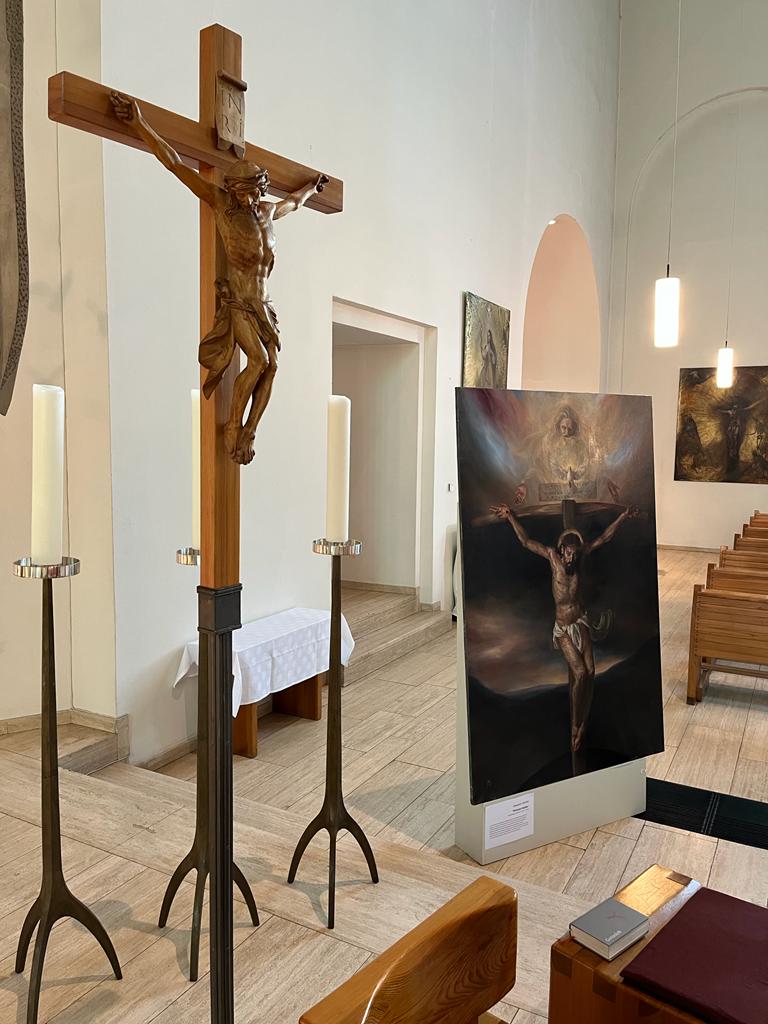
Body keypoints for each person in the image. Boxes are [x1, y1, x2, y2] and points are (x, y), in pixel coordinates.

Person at [110, 92, 328, 465]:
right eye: (244, 194)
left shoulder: (267, 213)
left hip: (263, 305)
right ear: (233, 190)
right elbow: (175, 164)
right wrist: (139, 124)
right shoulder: (222, 207)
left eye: (255, 193)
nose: (250, 200)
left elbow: (293, 202)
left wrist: (311, 187)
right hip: (238, 303)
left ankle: (250, 430)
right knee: (257, 361)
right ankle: (232, 425)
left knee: (273, 366)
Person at [490, 503, 638, 754]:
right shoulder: (552, 557)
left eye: (574, 555)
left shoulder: (579, 557)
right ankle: (575, 726)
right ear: (561, 551)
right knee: (579, 673)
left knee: (591, 672)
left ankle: (583, 723)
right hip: (563, 628)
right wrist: (510, 517)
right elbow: (526, 542)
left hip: (580, 621)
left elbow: (604, 538)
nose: (571, 558)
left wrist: (623, 516)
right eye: (568, 554)